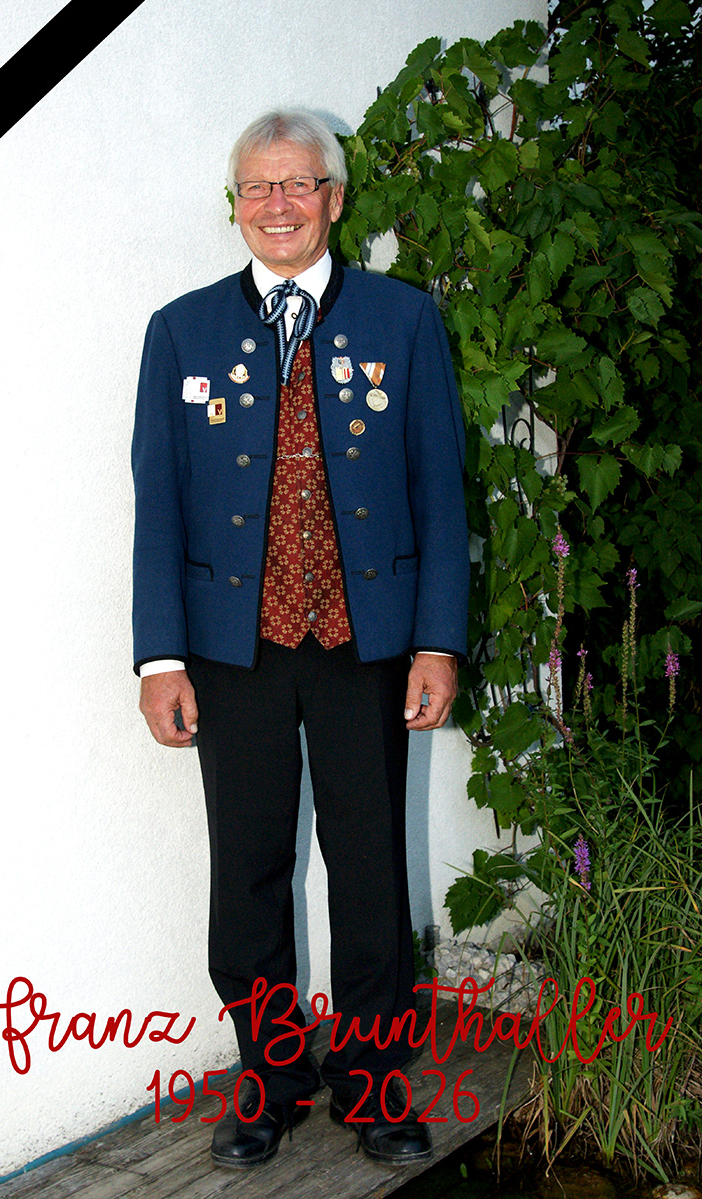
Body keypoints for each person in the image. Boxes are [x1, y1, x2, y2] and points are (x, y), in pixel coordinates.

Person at [132, 110, 469, 1169]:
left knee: (369, 870)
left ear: (334, 197)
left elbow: (440, 492)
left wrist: (436, 641)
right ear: (234, 204)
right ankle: (269, 1079)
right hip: (232, 650)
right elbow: (158, 503)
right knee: (246, 873)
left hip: (366, 644)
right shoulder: (180, 330)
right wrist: (160, 657)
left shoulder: (403, 319)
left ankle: (371, 1082)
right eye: (257, 187)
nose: (276, 204)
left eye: (298, 184)